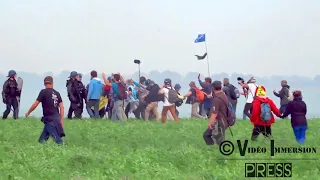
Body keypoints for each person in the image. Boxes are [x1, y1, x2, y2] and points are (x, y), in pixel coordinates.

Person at [25, 76, 65, 144]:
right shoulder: (57, 93)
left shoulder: (43, 92)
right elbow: (62, 107)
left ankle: (66, 151)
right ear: (52, 83)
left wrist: (28, 112)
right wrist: (61, 119)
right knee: (42, 141)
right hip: (55, 118)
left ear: (44, 84)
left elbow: (35, 104)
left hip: (50, 120)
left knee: (58, 140)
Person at [203, 81, 228, 145]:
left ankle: (212, 149)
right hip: (224, 119)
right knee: (220, 137)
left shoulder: (217, 99)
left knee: (207, 135)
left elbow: (214, 113)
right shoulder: (223, 95)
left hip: (220, 121)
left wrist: (210, 123)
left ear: (213, 88)